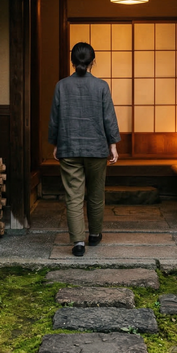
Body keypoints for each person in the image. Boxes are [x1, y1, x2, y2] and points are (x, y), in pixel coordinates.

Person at [48, 42, 120, 256]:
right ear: (92, 62)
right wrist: (113, 145)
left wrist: (55, 143)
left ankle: (78, 242)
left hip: (69, 147)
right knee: (96, 193)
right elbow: (109, 118)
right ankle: (95, 235)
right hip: (96, 148)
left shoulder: (61, 86)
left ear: (72, 61)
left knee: (73, 196)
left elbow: (55, 119)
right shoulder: (101, 86)